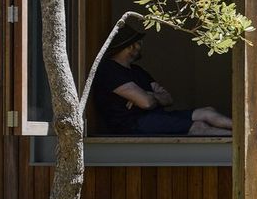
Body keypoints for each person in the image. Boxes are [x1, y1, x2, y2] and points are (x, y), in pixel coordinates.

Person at [90, 22, 234, 136]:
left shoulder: (138, 71)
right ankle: (242, 140)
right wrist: (150, 97)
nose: (140, 47)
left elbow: (168, 99)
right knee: (198, 126)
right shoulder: (109, 70)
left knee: (207, 112)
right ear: (131, 46)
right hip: (132, 125)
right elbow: (146, 103)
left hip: (154, 117)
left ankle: (249, 131)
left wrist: (149, 96)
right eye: (139, 43)